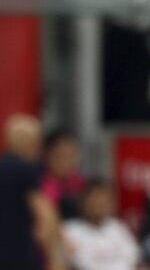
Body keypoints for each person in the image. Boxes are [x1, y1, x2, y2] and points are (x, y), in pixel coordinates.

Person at [0, 114, 64, 270]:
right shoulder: (26, 169)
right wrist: (55, 257)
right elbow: (44, 214)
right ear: (31, 143)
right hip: (21, 255)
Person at [63, 179, 140, 270]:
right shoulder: (70, 231)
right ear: (82, 202)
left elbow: (135, 260)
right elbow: (71, 264)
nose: (99, 203)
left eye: (104, 199)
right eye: (95, 198)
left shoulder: (118, 228)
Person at [41, 129, 85, 219]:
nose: (66, 163)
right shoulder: (38, 185)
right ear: (46, 156)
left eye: (71, 156)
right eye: (60, 157)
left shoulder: (81, 183)